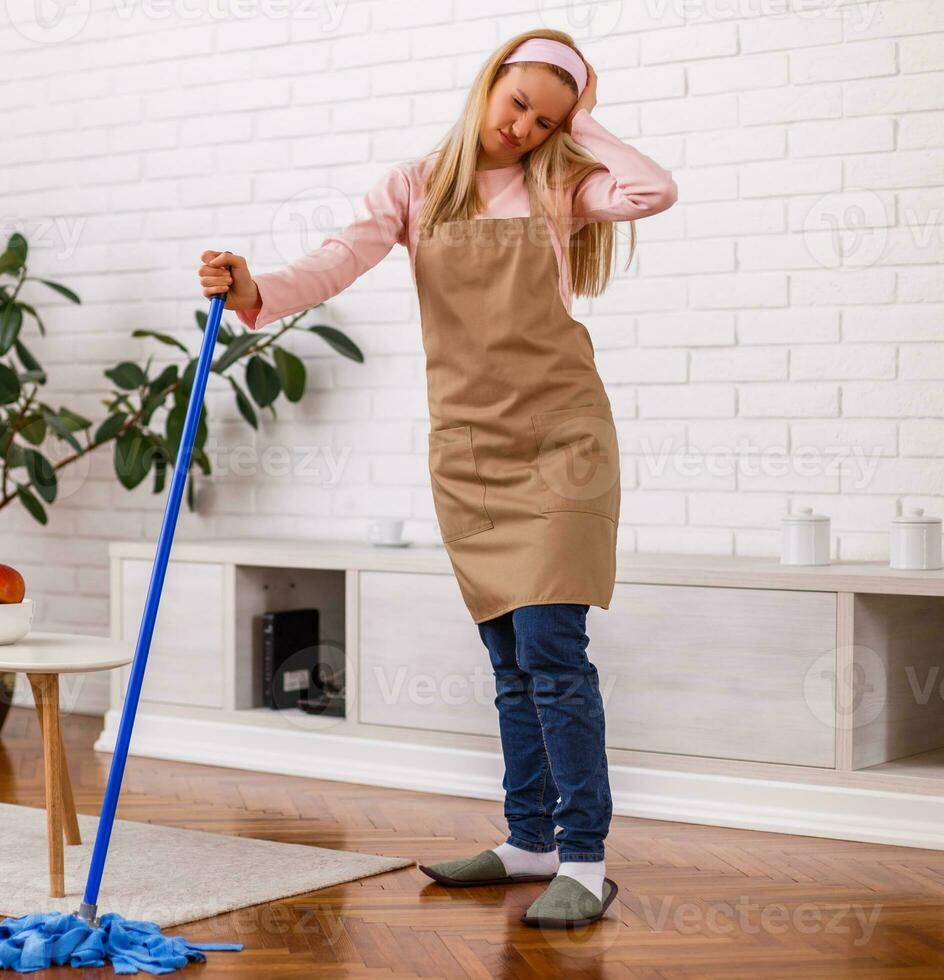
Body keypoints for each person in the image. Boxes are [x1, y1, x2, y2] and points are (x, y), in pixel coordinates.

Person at [196, 29, 677, 929]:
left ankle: (584, 855)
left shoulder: (562, 184)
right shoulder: (413, 187)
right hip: (469, 447)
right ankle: (528, 837)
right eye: (518, 103)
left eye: (546, 119)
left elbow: (655, 190)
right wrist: (255, 286)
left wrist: (588, 121)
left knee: (553, 652)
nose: (524, 128)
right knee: (507, 661)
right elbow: (334, 263)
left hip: (563, 438)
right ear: (489, 80)